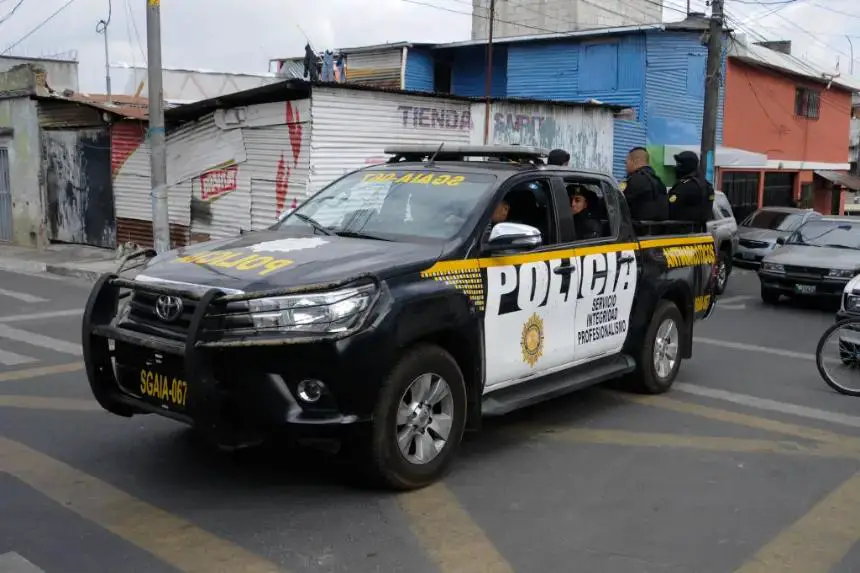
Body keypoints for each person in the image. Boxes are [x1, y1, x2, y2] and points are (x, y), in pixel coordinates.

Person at [667, 151, 714, 225]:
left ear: (687, 165)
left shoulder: (685, 186)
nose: (677, 167)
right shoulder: (707, 185)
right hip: (701, 232)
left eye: (679, 164)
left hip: (681, 232)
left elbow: (669, 209)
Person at [622, 147, 668, 222]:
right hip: (657, 231)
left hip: (635, 230)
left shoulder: (634, 180)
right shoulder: (659, 181)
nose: (625, 167)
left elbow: (618, 203)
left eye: (626, 162)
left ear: (635, 161)